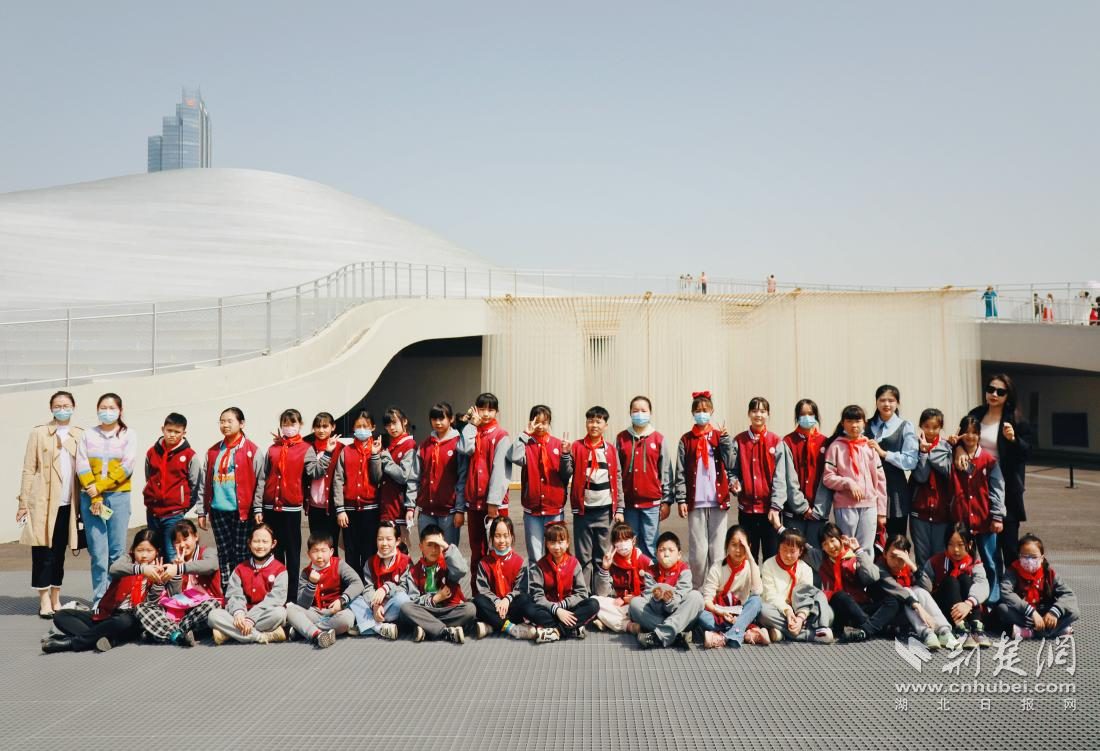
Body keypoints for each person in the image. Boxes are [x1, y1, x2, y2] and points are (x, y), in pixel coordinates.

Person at [252, 408, 332, 601]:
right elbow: (263, 478)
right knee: (274, 552)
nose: (289, 427)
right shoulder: (273, 449)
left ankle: (291, 597)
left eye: (292, 423)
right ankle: (276, 594)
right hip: (271, 507)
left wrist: (328, 453)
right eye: (285, 424)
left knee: (293, 554)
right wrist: (258, 506)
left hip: (291, 509)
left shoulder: (306, 448)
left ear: (300, 425)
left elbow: (315, 472)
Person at [44, 528, 164, 653]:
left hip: (131, 618)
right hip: (107, 613)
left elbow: (151, 603)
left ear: (157, 551)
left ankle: (72, 643)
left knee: (124, 621)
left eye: (149, 551)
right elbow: (114, 569)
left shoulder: (160, 569)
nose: (144, 555)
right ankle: (104, 639)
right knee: (61, 615)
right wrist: (141, 569)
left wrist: (158, 582)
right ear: (133, 549)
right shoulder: (128, 560)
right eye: (140, 550)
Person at [955, 373, 1031, 569]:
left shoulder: (1016, 420)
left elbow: (1026, 452)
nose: (994, 394)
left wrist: (1013, 439)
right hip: (975, 483)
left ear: (1008, 395)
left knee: (1008, 543)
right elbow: (961, 437)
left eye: (1000, 392)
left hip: (1006, 486)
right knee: (977, 543)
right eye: (991, 389)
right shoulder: (976, 414)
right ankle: (979, 583)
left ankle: (1011, 584)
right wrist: (960, 449)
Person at [18, 390, 83, 618]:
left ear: (73, 407)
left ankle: (56, 597)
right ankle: (44, 600)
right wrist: (23, 503)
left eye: (66, 405)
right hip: (43, 503)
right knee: (42, 552)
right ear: (51, 408)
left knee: (59, 554)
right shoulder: (39, 433)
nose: (62, 409)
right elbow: (29, 469)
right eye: (57, 405)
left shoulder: (79, 434)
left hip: (68, 503)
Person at [76, 393, 137, 604]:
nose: (107, 412)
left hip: (118, 496)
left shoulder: (128, 435)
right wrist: (95, 496)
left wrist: (100, 487)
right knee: (98, 552)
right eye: (103, 408)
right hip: (91, 499)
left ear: (120, 411)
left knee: (117, 552)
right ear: (97, 410)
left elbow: (127, 466)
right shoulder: (88, 435)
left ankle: (117, 598)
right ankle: (100, 599)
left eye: (112, 408)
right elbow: (81, 464)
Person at [195, 407, 264, 585]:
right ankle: (227, 591)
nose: (225, 425)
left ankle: (243, 589)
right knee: (224, 553)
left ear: (241, 424)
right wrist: (201, 511)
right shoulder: (213, 451)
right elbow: (204, 482)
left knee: (242, 552)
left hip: (242, 511)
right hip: (218, 511)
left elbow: (260, 481)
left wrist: (257, 508)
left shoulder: (252, 450)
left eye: (229, 421)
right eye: (222, 421)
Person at [674, 390, 734, 588]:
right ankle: (697, 589)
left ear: (712, 411)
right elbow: (680, 471)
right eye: (698, 410)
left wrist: (725, 442)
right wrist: (681, 499)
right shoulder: (686, 439)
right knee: (698, 553)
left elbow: (731, 462)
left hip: (718, 500)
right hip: (696, 501)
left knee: (717, 551)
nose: (702, 414)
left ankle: (716, 588)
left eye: (705, 410)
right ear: (693, 413)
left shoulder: (719, 436)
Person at [134, 519, 222, 647]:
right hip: (179, 611)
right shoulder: (173, 565)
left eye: (185, 539)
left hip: (200, 610)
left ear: (196, 536)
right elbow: (174, 596)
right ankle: (178, 634)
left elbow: (211, 565)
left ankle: (165, 633)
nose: (182, 545)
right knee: (142, 607)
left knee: (213, 605)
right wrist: (174, 577)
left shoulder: (207, 552)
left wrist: (180, 568)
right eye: (177, 542)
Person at [459, 393, 512, 593]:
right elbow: (464, 449)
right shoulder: (473, 432)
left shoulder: (501, 436)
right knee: (477, 551)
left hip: (494, 504)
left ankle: (500, 593)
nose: (486, 413)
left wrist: (493, 502)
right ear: (475, 410)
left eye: (491, 409)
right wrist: (471, 425)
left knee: (499, 549)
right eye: (482, 409)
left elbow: (500, 471)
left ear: (497, 412)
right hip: (474, 502)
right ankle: (478, 594)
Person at [567, 405, 624, 593]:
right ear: (586, 423)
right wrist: (565, 455)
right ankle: (583, 594)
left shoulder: (611, 450)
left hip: (605, 511)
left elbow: (617, 478)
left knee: (602, 555)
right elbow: (565, 473)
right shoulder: (576, 447)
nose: (594, 425)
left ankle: (602, 594)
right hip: (583, 511)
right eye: (590, 421)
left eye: (598, 421)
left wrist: (620, 508)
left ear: (605, 425)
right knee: (583, 557)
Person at [950, 414, 1006, 603]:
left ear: (980, 435)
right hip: (961, 523)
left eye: (974, 432)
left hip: (984, 521)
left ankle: (993, 601)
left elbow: (998, 489)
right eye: (966, 432)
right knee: (963, 562)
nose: (970, 436)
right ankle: (967, 600)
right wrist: (954, 446)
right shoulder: (953, 457)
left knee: (990, 561)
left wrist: (997, 516)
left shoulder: (989, 461)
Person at [813, 523, 900, 642]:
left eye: (832, 541)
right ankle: (877, 629)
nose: (830, 546)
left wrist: (858, 550)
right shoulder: (821, 560)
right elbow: (799, 546)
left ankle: (865, 630)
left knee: (893, 601)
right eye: (825, 544)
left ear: (841, 539)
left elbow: (873, 577)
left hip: (860, 607)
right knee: (840, 595)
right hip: (839, 609)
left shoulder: (855, 557)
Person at [509, 404, 572, 567]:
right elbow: (513, 456)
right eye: (537, 422)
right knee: (535, 556)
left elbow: (566, 475)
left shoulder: (558, 444)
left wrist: (566, 454)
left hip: (554, 508)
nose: (541, 426)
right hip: (533, 509)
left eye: (544, 422)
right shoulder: (526, 444)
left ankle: (555, 582)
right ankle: (536, 583)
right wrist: (524, 434)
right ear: (531, 422)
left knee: (556, 552)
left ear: (549, 423)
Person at [730, 397, 791, 563]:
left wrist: (776, 506)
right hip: (747, 510)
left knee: (772, 555)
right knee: (748, 555)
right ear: (749, 414)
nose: (758, 415)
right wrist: (734, 484)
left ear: (768, 414)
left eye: (763, 411)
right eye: (755, 411)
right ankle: (751, 581)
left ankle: (769, 582)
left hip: (770, 511)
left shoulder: (776, 441)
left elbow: (780, 477)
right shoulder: (739, 441)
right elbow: (732, 471)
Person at [207, 523, 289, 645]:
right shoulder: (240, 568)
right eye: (256, 541)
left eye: (265, 542)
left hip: (264, 614)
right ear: (249, 543)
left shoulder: (280, 570)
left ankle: (228, 634)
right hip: (242, 615)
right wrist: (238, 612)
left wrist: (251, 618)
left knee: (280, 613)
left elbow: (276, 599)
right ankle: (261, 636)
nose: (260, 546)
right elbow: (234, 595)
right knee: (213, 615)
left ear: (273, 544)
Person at [821, 405, 887, 553]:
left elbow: (881, 481)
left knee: (867, 549)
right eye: (849, 421)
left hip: (870, 506)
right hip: (845, 506)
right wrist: (848, 483)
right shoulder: (835, 447)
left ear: (864, 423)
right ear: (843, 423)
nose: (854, 425)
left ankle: (865, 569)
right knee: (846, 547)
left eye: (858, 421)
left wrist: (881, 510)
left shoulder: (870, 447)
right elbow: (828, 477)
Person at [877, 535, 960, 651]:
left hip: (912, 615)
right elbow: (899, 591)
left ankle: (944, 631)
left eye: (901, 558)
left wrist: (911, 564)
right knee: (907, 590)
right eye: (892, 557)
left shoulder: (907, 567)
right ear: (885, 554)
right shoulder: (880, 568)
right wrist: (919, 608)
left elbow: (928, 587)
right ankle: (927, 633)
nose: (896, 562)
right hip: (891, 615)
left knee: (920, 591)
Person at [615, 395, 673, 561]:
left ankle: (649, 576)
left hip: (652, 504)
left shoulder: (658, 439)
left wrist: (667, 501)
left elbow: (666, 472)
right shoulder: (621, 438)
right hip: (628, 504)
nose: (639, 414)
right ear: (630, 413)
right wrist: (618, 505)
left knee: (650, 544)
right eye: (635, 411)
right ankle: (631, 576)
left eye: (643, 410)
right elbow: (616, 473)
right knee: (629, 545)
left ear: (650, 413)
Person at [916, 524, 992, 649]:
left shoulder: (974, 562)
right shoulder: (935, 561)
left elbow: (983, 585)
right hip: (945, 610)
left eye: (960, 545)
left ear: (969, 544)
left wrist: (968, 603)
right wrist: (915, 570)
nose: (955, 549)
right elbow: (926, 588)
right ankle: (961, 628)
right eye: (951, 544)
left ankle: (976, 627)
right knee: (951, 581)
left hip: (968, 609)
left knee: (965, 579)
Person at [399, 524, 476, 643]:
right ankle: (444, 630)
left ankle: (427, 628)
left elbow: (461, 570)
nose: (434, 550)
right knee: (405, 608)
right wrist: (435, 599)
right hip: (426, 611)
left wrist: (446, 547)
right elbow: (413, 599)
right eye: (429, 545)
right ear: (421, 547)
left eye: (438, 545)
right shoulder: (414, 571)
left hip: (448, 610)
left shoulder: (448, 563)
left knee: (470, 609)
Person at [284, 533, 363, 648]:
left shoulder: (339, 564)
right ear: (308, 554)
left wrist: (342, 600)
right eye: (315, 551)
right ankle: (317, 635)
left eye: (323, 551)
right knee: (290, 609)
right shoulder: (306, 573)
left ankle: (304, 631)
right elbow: (303, 604)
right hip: (315, 612)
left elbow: (357, 583)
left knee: (347, 619)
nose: (319, 556)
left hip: (336, 611)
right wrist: (311, 584)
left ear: (331, 552)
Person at [525, 522, 600, 643]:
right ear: (547, 544)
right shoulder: (540, 566)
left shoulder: (574, 563)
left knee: (593, 604)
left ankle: (556, 632)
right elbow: (537, 596)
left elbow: (582, 593)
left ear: (567, 543)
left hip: (569, 609)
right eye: (552, 542)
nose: (557, 547)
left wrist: (563, 606)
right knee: (528, 608)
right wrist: (556, 609)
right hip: (549, 609)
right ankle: (572, 629)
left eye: (560, 542)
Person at [142, 412, 201, 562]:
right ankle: (157, 578)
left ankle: (176, 578)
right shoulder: (152, 452)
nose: (172, 435)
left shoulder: (189, 455)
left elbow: (195, 485)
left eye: (177, 432)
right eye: (169, 430)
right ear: (163, 429)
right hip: (153, 513)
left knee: (171, 551)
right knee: (154, 551)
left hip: (174, 514)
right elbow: (149, 477)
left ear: (184, 433)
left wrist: (183, 507)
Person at [995, 533, 1077, 639]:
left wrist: (1054, 612)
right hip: (1025, 614)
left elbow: (1068, 594)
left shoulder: (1049, 572)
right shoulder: (1012, 571)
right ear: (1019, 556)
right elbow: (1005, 592)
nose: (1029, 561)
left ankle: (1030, 633)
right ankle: (1055, 631)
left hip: (1046, 612)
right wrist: (1031, 612)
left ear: (1042, 558)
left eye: (1034, 557)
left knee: (1074, 612)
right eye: (1025, 556)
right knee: (1002, 609)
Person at [332, 410, 384, 578]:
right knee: (351, 553)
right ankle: (353, 586)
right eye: (358, 426)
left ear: (373, 428)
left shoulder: (378, 450)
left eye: (365, 426)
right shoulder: (346, 451)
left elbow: (378, 478)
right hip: (349, 511)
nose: (362, 429)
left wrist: (375, 456)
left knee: (370, 551)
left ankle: (369, 586)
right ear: (353, 429)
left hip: (371, 509)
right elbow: (338, 480)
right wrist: (340, 509)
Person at [758, 528, 834, 643]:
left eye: (792, 551)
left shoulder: (805, 568)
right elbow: (770, 596)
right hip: (779, 611)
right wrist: (788, 612)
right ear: (778, 547)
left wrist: (800, 618)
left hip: (802, 613)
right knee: (762, 611)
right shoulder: (769, 564)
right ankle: (811, 634)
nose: (788, 555)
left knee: (829, 613)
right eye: (784, 549)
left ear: (800, 551)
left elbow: (807, 597)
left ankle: (783, 633)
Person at [697, 526, 768, 648]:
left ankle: (722, 636)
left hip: (741, 613)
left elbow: (757, 591)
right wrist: (720, 612)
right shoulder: (717, 567)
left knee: (756, 601)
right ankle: (744, 632)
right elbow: (707, 600)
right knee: (699, 613)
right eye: (734, 545)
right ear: (727, 546)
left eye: (742, 546)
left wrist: (750, 557)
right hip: (719, 613)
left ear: (748, 547)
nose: (738, 550)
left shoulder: (750, 566)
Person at [629, 531, 702, 649]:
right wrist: (656, 599)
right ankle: (676, 635)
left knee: (696, 597)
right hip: (660, 615)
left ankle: (658, 636)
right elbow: (648, 598)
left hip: (679, 612)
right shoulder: (650, 572)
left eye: (671, 550)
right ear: (656, 554)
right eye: (662, 550)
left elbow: (681, 596)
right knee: (634, 603)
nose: (666, 554)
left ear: (679, 555)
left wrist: (669, 601)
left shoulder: (684, 570)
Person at [866, 385, 919, 540]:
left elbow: (911, 461)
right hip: (869, 488)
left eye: (891, 400)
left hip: (895, 490)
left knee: (897, 540)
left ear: (898, 403)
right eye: (882, 400)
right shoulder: (865, 425)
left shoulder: (905, 426)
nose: (886, 404)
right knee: (870, 540)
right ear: (876, 402)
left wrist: (884, 454)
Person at [471, 516, 537, 640]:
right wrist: (497, 601)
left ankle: (492, 625)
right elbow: (483, 589)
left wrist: (507, 599)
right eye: (497, 536)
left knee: (525, 599)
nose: (502, 540)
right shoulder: (484, 563)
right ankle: (512, 629)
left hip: (512, 607)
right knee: (478, 600)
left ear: (512, 537)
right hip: (494, 606)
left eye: (506, 536)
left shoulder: (519, 562)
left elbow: (521, 589)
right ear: (491, 538)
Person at [410, 403, 466, 546]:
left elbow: (462, 479)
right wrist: (410, 506)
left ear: (451, 419)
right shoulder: (424, 445)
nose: (438, 422)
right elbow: (414, 477)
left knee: (448, 552)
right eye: (434, 419)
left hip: (449, 512)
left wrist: (460, 510)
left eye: (442, 418)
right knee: (428, 552)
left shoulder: (459, 444)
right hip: (426, 512)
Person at [347, 521, 413, 640]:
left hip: (392, 605)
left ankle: (367, 625)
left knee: (403, 600)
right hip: (374, 605)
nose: (384, 543)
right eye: (380, 539)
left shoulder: (406, 561)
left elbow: (405, 588)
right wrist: (375, 606)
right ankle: (379, 628)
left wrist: (386, 588)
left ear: (397, 541)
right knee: (354, 599)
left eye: (389, 539)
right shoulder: (370, 562)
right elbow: (368, 588)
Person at [781, 399, 828, 547]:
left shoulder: (825, 442)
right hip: (794, 512)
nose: (807, 417)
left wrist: (819, 508)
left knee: (815, 552)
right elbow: (788, 477)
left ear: (816, 416)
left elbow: (827, 477)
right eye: (802, 414)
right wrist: (802, 506)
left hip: (817, 513)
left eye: (810, 413)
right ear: (797, 416)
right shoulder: (788, 441)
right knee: (793, 550)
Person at [908, 408, 952, 567]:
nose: (931, 431)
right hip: (919, 509)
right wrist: (923, 453)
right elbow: (921, 476)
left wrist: (931, 452)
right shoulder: (914, 444)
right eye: (927, 426)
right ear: (921, 426)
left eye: (935, 427)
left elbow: (948, 471)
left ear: (941, 427)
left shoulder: (948, 446)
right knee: (922, 555)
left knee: (940, 554)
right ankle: (922, 582)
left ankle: (938, 583)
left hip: (942, 508)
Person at [593, 522, 651, 632]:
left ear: (633, 541)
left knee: (642, 606)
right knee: (594, 601)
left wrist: (637, 598)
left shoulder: (645, 561)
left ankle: (613, 622)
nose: (622, 544)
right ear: (613, 544)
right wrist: (605, 568)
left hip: (640, 604)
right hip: (619, 604)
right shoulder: (611, 562)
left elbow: (654, 589)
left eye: (625, 539)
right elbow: (602, 593)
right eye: (618, 541)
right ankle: (628, 625)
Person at [378, 407, 418, 551]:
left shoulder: (409, 445)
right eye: (388, 425)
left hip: (399, 509)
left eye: (394, 423)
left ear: (404, 421)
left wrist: (385, 458)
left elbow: (403, 476)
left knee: (401, 551)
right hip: (387, 507)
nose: (392, 428)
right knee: (387, 551)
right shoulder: (392, 446)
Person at [305, 412, 344, 548]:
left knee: (332, 546)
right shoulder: (309, 448)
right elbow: (311, 473)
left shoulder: (341, 448)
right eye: (317, 426)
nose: (321, 430)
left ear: (333, 427)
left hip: (332, 506)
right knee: (316, 546)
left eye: (325, 426)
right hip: (314, 507)